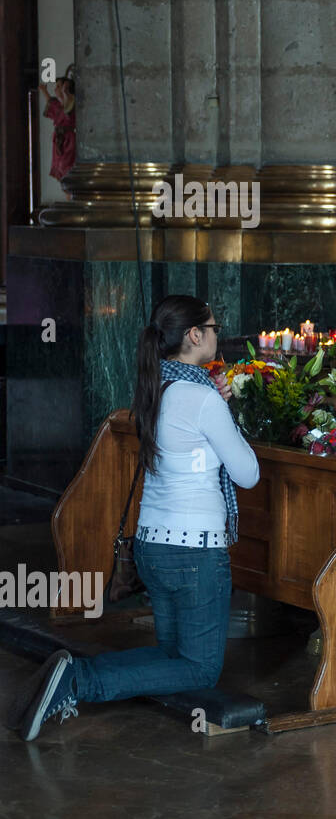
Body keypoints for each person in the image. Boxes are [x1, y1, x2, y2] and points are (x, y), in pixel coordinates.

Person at [6, 295, 259, 741]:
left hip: (152, 548)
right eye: (214, 328)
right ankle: (77, 680)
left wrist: (214, 403)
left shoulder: (155, 389)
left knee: (171, 656)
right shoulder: (202, 399)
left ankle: (71, 675)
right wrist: (226, 412)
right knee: (200, 669)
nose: (220, 335)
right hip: (195, 554)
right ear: (194, 336)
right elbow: (248, 473)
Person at [39, 73, 76, 181]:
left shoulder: (71, 102)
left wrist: (65, 90)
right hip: (59, 140)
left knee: (66, 167)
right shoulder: (60, 106)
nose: (56, 89)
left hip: (68, 140)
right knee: (60, 168)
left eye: (59, 86)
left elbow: (68, 110)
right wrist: (44, 91)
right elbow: (51, 102)